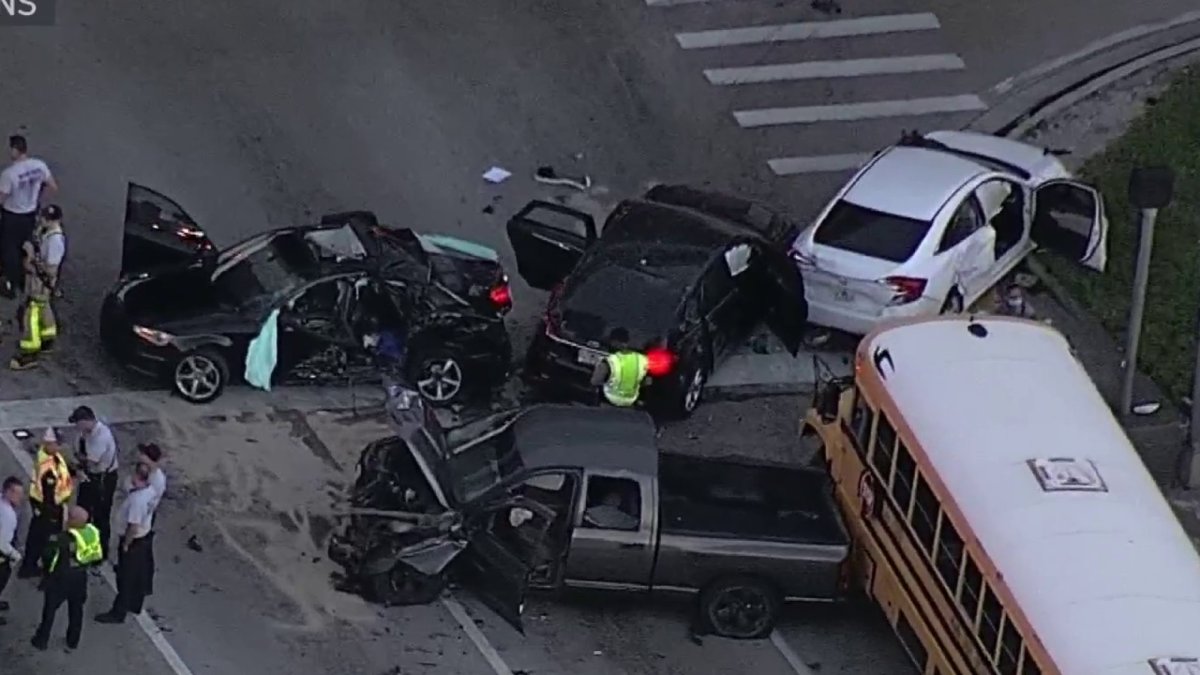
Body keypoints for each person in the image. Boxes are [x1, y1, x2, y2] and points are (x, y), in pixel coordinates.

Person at [31, 506, 102, 651]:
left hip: (61, 578)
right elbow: (97, 555)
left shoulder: (61, 539)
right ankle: (73, 640)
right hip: (80, 576)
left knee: (50, 609)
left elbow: (47, 557)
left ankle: (42, 639)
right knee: (76, 609)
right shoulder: (92, 532)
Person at [95, 463, 155, 624]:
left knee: (125, 578)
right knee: (137, 575)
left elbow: (133, 526)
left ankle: (118, 612)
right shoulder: (150, 491)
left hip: (134, 541)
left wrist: (126, 544)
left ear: (137, 477)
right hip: (144, 537)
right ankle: (135, 603)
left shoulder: (138, 501)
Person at [0, 135, 57, 298]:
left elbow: (2, 198)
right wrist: (38, 199)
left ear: (14, 150)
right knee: (26, 246)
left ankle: (11, 284)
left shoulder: (9, 174)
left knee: (9, 249)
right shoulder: (39, 166)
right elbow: (52, 186)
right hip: (30, 213)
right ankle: (26, 279)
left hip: (12, 215)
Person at [10, 204, 66, 370]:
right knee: (44, 307)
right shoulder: (46, 233)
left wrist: (31, 256)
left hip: (40, 284)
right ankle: (48, 338)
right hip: (39, 283)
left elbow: (50, 270)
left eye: (46, 219)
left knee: (30, 315)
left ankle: (29, 353)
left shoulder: (56, 241)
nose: (42, 221)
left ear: (54, 221)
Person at [19, 428, 74, 579]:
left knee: (36, 537)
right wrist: (56, 516)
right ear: (50, 444)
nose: (59, 447)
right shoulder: (48, 468)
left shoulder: (50, 456)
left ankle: (29, 565)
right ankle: (39, 570)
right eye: (57, 444)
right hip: (47, 508)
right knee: (44, 540)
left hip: (43, 505)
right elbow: (49, 495)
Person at [71, 405, 119, 561]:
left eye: (79, 424)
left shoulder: (101, 436)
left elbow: (90, 460)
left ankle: (100, 552)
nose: (78, 428)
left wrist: (76, 459)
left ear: (87, 421)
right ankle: (81, 544)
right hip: (89, 475)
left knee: (100, 516)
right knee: (82, 511)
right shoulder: (84, 433)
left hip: (103, 479)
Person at [133, 443, 166, 595]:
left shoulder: (156, 480)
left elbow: (147, 501)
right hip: (144, 514)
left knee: (143, 552)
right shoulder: (148, 472)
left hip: (144, 516)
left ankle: (144, 583)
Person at [589, 327, 650, 407]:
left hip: (607, 403)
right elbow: (646, 382)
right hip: (629, 405)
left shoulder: (609, 361)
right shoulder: (639, 362)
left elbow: (595, 381)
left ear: (614, 341)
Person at [0, 476, 25, 625]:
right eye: (17, 493)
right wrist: (15, 556)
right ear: (8, 492)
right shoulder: (8, 515)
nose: (20, 498)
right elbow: (2, 542)